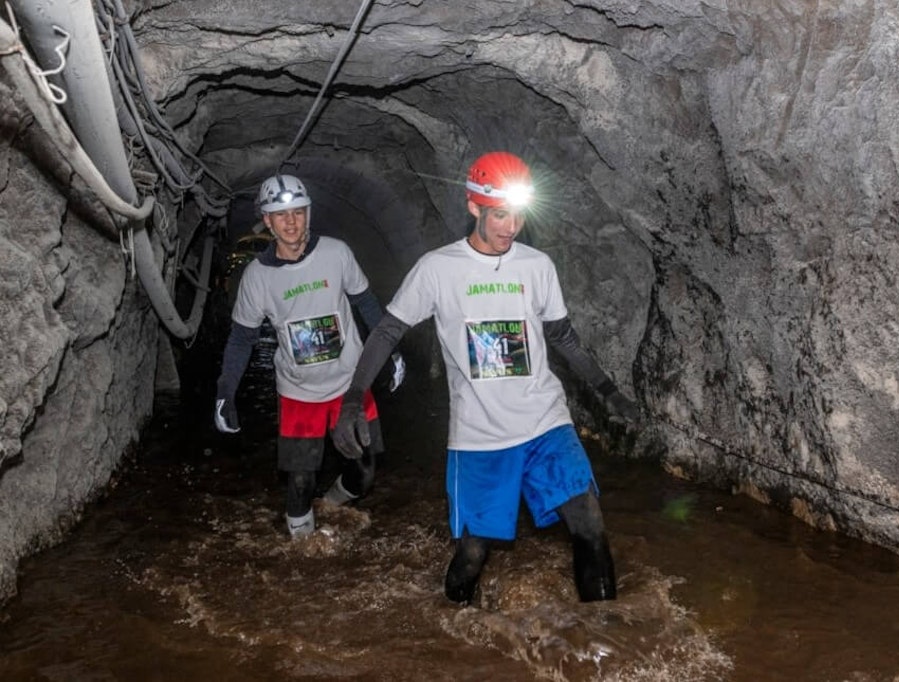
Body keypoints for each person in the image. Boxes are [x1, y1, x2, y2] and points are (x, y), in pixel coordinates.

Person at [332, 152, 640, 603]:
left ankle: (605, 643)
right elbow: (387, 331)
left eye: (517, 215)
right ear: (474, 208)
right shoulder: (438, 269)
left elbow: (565, 339)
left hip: (545, 421)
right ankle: (453, 629)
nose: (510, 227)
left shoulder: (537, 266)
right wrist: (354, 399)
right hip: (480, 437)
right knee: (474, 552)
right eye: (499, 215)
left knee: (590, 526)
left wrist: (610, 393)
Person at [213, 173, 405, 538]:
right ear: (267, 221)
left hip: (351, 384)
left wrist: (390, 351)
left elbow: (365, 302)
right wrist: (226, 390)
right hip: (299, 393)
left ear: (309, 214)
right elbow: (242, 338)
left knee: (363, 476)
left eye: (298, 212)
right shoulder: (257, 277)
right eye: (280, 215)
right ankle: (302, 553)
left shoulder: (337, 253)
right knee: (300, 482)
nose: (291, 222)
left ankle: (330, 507)